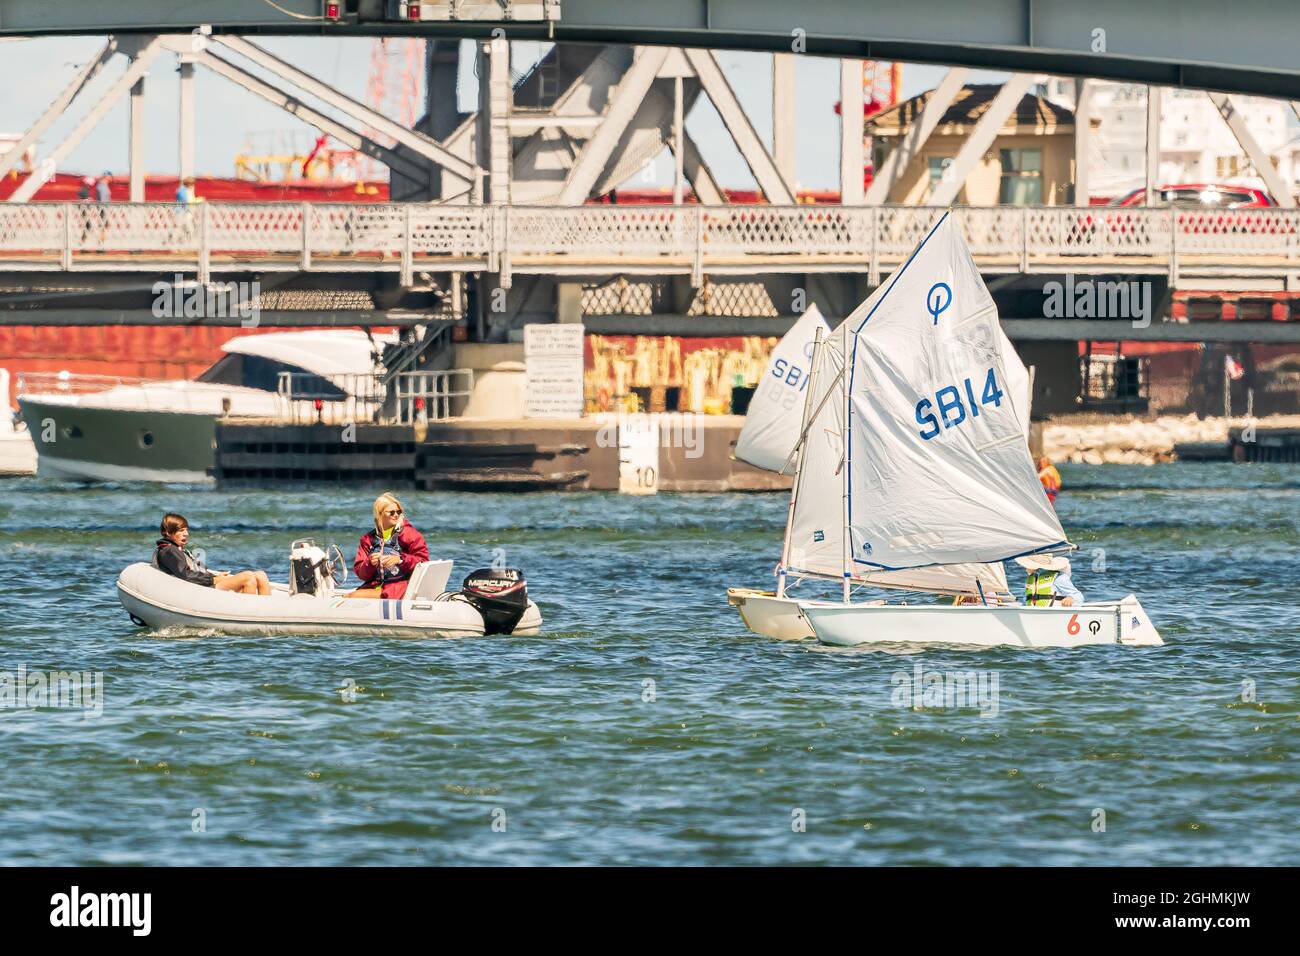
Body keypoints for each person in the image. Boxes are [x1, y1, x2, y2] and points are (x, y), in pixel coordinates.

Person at [154, 512, 271, 596]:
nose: (187, 534)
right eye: (181, 530)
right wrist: (213, 580)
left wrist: (215, 576)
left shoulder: (177, 549)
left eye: (186, 530)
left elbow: (195, 571)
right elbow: (185, 575)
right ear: (168, 533)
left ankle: (266, 614)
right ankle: (249, 616)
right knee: (248, 577)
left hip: (205, 585)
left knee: (260, 575)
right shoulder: (169, 551)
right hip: (201, 591)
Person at [348, 493, 428, 600]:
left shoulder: (410, 534)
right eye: (391, 512)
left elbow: (424, 561)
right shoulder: (367, 540)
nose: (396, 515)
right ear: (380, 514)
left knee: (351, 597)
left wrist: (400, 560)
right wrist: (369, 563)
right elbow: (362, 575)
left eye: (398, 512)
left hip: (401, 588)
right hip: (375, 586)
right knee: (349, 597)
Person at [1016, 554, 1083, 607]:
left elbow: (1078, 596)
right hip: (1033, 615)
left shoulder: (1058, 578)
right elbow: (1026, 602)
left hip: (1053, 616)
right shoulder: (1031, 580)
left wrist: (1071, 598)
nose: (1024, 567)